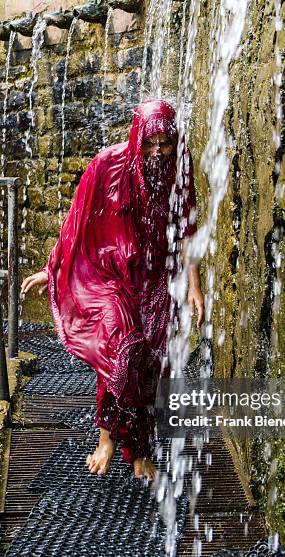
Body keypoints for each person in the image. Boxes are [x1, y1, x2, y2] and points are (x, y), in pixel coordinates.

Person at [21, 99, 205, 481]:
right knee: (123, 345)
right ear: (137, 136)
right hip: (111, 273)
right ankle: (106, 438)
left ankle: (139, 450)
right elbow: (77, 220)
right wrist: (52, 268)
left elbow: (188, 231)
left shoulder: (179, 170)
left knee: (154, 361)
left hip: (157, 275)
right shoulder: (108, 165)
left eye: (165, 143)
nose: (157, 151)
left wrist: (193, 287)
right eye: (150, 142)